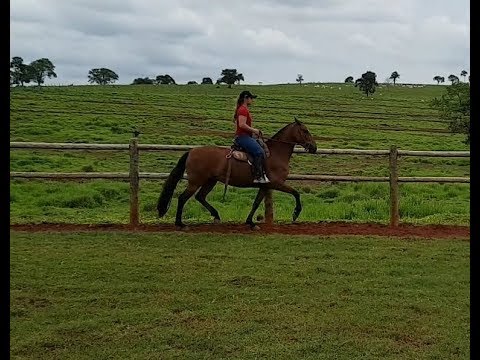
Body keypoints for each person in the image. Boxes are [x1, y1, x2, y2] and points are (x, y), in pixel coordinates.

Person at [233, 90, 270, 183]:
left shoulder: (243, 109)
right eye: (251, 98)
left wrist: (252, 132)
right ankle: (258, 176)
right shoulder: (243, 110)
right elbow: (241, 125)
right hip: (243, 137)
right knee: (259, 152)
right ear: (246, 98)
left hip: (245, 136)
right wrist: (254, 130)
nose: (252, 100)